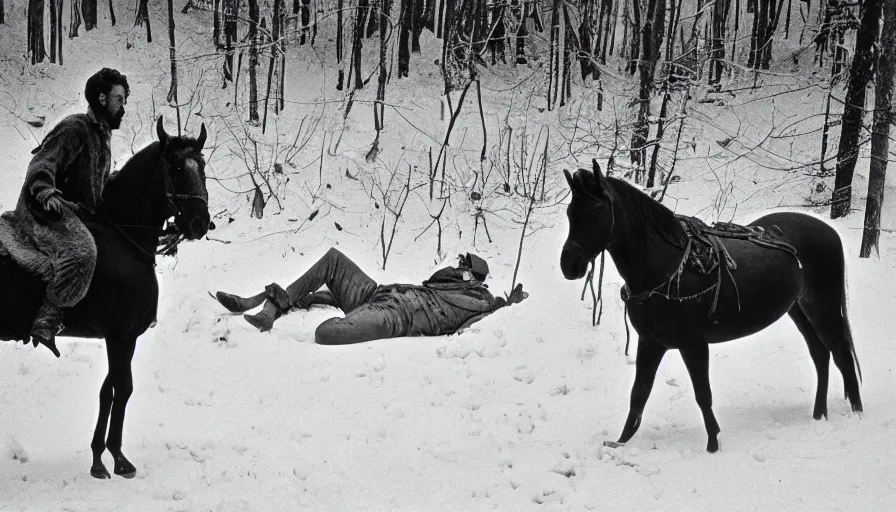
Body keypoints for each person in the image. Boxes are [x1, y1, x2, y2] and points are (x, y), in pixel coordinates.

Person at [12, 68, 130, 357]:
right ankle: (47, 316)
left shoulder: (101, 137)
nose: (123, 107)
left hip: (74, 213)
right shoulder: (75, 128)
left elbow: (96, 188)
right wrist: (45, 191)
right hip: (43, 209)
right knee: (83, 251)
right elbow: (42, 164)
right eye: (119, 99)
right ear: (101, 98)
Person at [215, 248, 528, 345]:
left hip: (394, 317)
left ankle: (277, 303)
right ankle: (272, 306)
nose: (455, 265)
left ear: (471, 276)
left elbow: (493, 317)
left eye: (462, 266)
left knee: (327, 333)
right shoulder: (445, 282)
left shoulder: (480, 302)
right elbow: (435, 280)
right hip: (378, 293)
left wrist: (510, 305)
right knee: (333, 260)